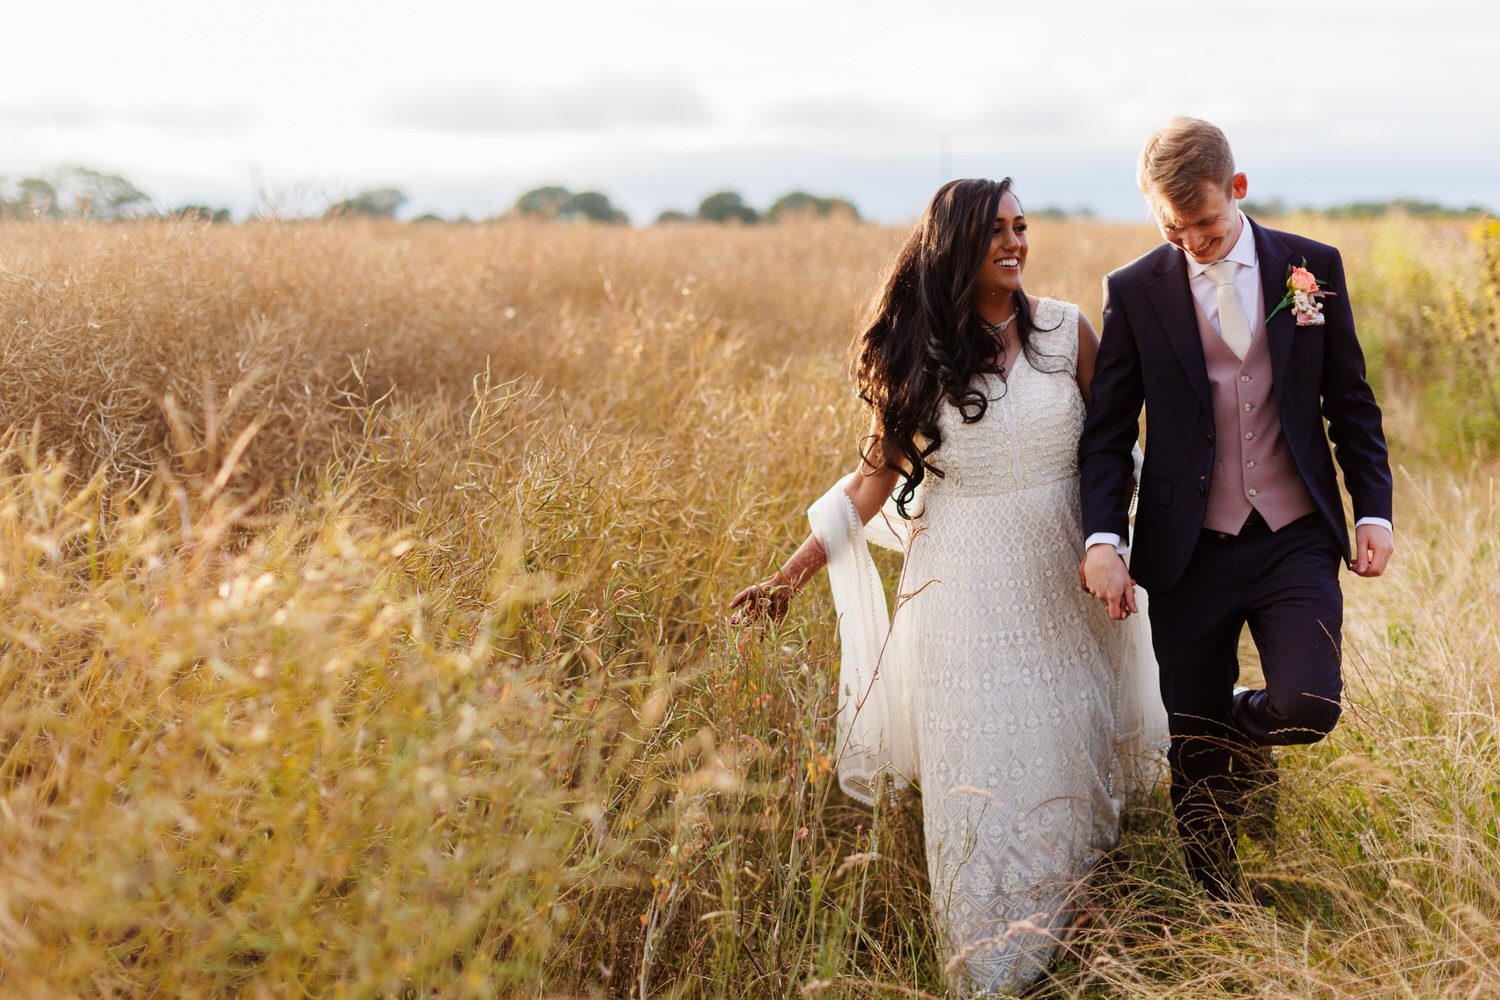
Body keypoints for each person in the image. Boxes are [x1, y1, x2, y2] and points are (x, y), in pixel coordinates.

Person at [730, 178, 1166, 995]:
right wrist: (789, 576)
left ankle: (1080, 953)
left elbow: (1114, 450)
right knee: (984, 769)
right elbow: (870, 485)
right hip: (963, 590)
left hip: (1063, 578)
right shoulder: (916, 354)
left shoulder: (1067, 330)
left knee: (1072, 750)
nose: (1015, 241)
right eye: (995, 230)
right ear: (955, 244)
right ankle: (988, 972)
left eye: (1022, 226)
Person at [1079, 117, 1395, 901]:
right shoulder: (1134, 290)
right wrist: (1101, 539)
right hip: (1186, 549)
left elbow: (1349, 403)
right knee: (1193, 745)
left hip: (1293, 535)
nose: (1192, 241)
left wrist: (1374, 511)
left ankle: (1238, 726)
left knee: (1308, 704)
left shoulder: (1311, 270)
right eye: (1172, 226)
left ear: (1239, 190)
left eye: (1207, 223)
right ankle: (1219, 906)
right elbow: (1109, 433)